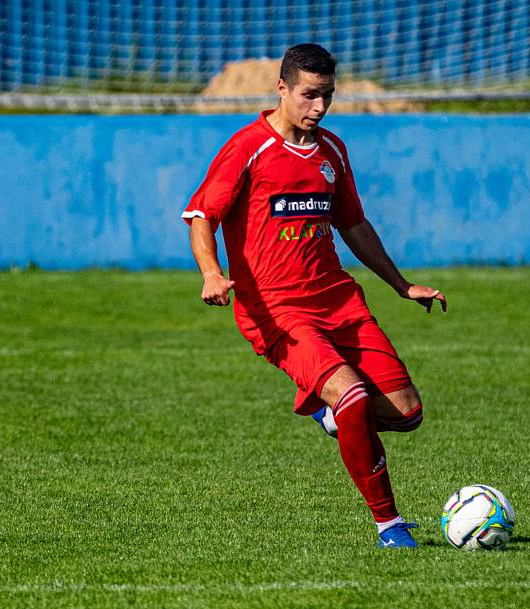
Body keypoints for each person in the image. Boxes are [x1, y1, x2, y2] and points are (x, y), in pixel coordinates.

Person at [181, 43, 446, 549]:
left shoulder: (332, 150)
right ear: (281, 89)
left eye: (327, 96)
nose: (318, 108)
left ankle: (334, 417)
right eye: (308, 96)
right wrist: (211, 273)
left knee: (407, 412)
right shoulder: (248, 147)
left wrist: (400, 284)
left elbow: (353, 223)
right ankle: (389, 524)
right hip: (277, 312)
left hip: (340, 303)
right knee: (352, 395)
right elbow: (201, 215)